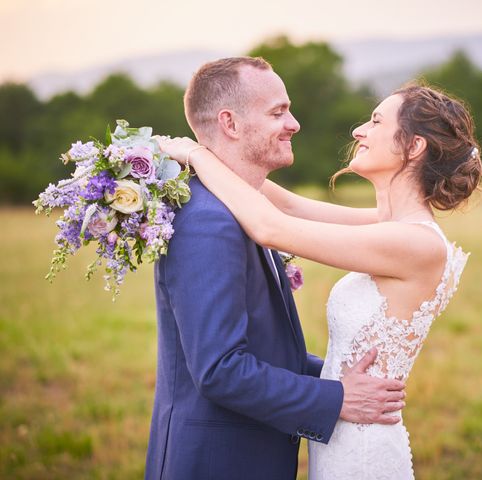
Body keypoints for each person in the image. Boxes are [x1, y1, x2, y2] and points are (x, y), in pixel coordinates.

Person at [159, 77, 482, 479]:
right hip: (343, 432)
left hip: (362, 450)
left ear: (414, 146)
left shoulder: (414, 243)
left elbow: (271, 228)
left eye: (377, 122)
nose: (359, 130)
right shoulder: (390, 226)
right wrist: (218, 149)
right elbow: (289, 207)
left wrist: (194, 152)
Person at [145, 57, 406, 480]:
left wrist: (337, 376)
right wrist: (336, 398)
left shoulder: (243, 206)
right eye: (277, 112)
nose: (294, 123)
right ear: (230, 123)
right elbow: (220, 370)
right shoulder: (208, 221)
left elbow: (264, 348)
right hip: (216, 463)